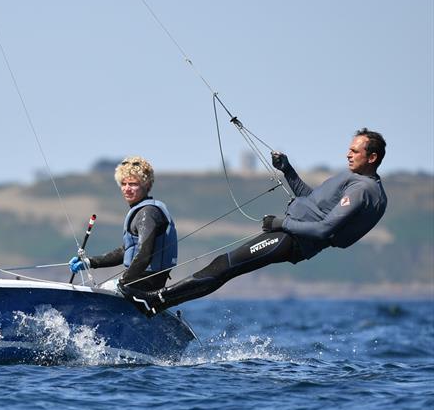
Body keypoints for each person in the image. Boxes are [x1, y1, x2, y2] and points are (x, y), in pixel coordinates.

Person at [121, 128, 388, 313]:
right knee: (225, 267)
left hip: (291, 239)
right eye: (349, 149)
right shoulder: (356, 181)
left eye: (355, 151)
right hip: (290, 236)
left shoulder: (362, 190)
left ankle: (154, 302)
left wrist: (280, 224)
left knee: (224, 265)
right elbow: (312, 202)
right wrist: (288, 170)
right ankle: (157, 304)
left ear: (372, 157)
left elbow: (324, 229)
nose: (348, 154)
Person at [69, 156, 178, 292]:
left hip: (145, 285)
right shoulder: (141, 211)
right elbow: (127, 250)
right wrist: (89, 262)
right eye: (123, 184)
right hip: (140, 283)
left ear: (146, 185)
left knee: (105, 288)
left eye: (133, 184)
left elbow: (144, 254)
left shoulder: (147, 213)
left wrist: (123, 283)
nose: (127, 189)